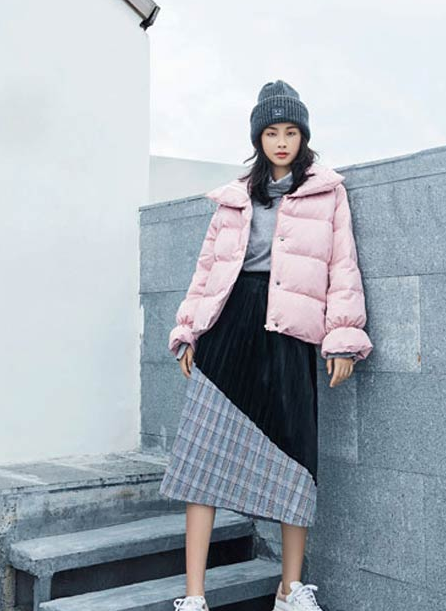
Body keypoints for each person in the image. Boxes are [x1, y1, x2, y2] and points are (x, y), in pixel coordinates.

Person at [159, 80, 373, 611]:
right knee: (202, 459)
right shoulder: (234, 197)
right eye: (272, 132)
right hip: (230, 326)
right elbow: (207, 268)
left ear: (304, 137)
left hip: (289, 332)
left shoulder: (327, 192)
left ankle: (290, 590)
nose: (281, 141)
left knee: (297, 457)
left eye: (291, 131)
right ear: (258, 137)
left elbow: (342, 266)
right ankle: (194, 597)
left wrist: (342, 338)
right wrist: (188, 329)